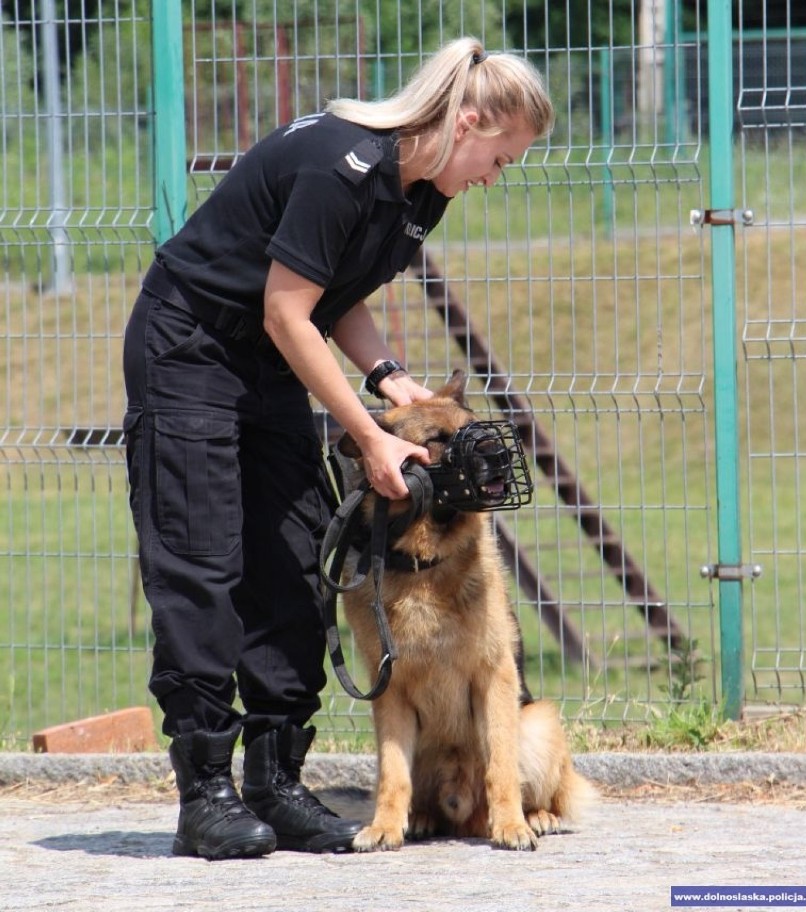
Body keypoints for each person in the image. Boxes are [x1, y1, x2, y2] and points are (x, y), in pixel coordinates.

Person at [122, 36, 554, 860]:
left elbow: (334, 296)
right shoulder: (339, 165)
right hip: (192, 348)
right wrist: (368, 436)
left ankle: (276, 781)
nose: (499, 175)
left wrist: (392, 380)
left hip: (273, 356)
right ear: (468, 122)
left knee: (296, 559)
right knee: (202, 564)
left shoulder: (421, 192)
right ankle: (205, 791)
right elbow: (290, 310)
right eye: (502, 158)